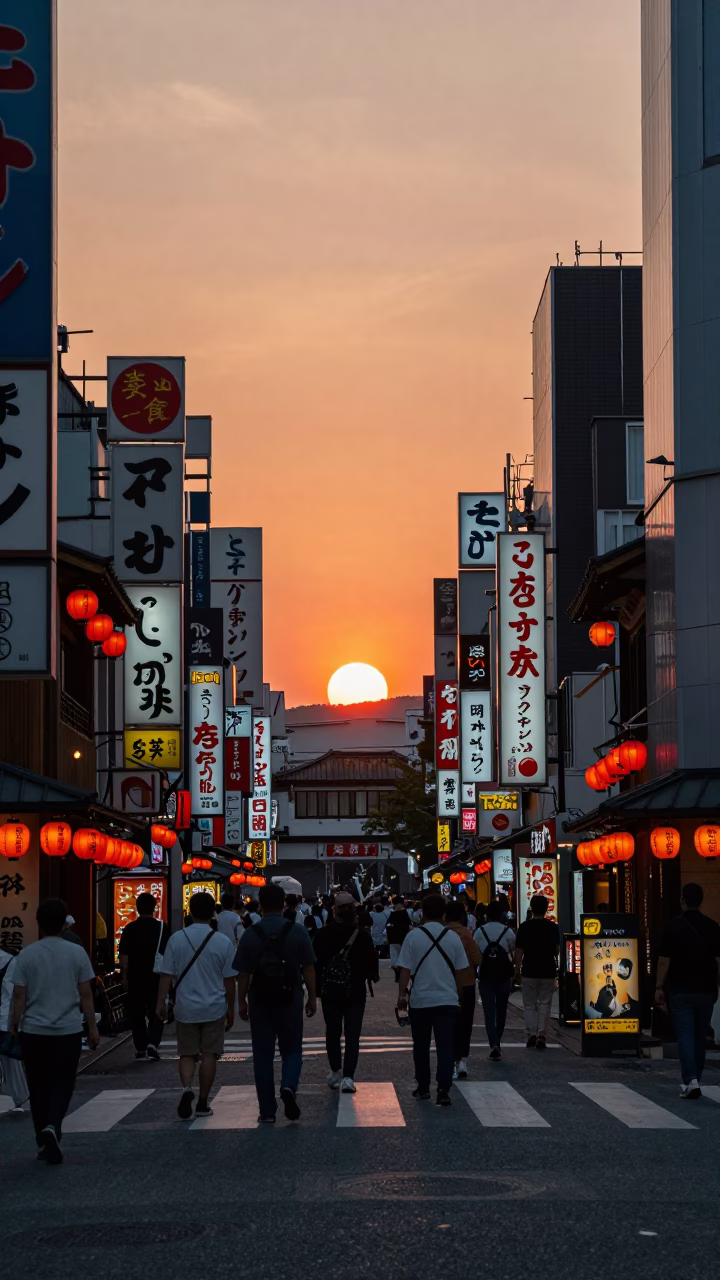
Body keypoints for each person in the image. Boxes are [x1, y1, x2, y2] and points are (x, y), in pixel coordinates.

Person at [10, 898, 99, 1164]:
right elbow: (86, 994)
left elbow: (19, 996)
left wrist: (13, 1026)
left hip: (34, 1029)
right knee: (63, 1082)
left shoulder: (27, 954)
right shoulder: (76, 953)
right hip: (67, 1029)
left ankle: (43, 1136)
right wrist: (93, 1028)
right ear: (64, 924)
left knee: (38, 1085)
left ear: (38, 924)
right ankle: (53, 1127)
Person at [234, 882, 317, 1123]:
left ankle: (267, 1111)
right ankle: (289, 1085)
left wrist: (241, 1002)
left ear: (260, 905)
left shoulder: (251, 933)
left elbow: (242, 973)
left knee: (262, 1055)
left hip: (260, 1000)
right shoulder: (297, 931)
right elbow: (309, 968)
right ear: (283, 904)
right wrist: (312, 997)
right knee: (292, 1049)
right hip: (290, 997)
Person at [156, 892, 236, 1120]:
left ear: (189, 911)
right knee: (210, 1054)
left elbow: (165, 975)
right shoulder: (223, 942)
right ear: (213, 913)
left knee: (187, 1053)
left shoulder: (176, 939)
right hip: (214, 1006)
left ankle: (186, 1089)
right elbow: (229, 979)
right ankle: (202, 1102)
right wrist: (232, 1007)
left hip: (185, 1007)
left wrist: (160, 1002)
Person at [396, 894, 472, 1106]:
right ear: (444, 913)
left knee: (420, 1044)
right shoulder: (453, 938)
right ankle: (443, 1088)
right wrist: (458, 996)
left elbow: (405, 970)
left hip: (420, 999)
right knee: (445, 1045)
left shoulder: (413, 937)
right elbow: (460, 973)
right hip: (447, 999)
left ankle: (422, 1087)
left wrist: (402, 995)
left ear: (422, 912)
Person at [656, 883, 720, 1099]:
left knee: (685, 1034)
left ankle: (691, 1080)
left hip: (681, 988)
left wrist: (658, 987)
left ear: (683, 900)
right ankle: (696, 1079)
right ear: (700, 901)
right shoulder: (712, 927)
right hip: (706, 989)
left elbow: (664, 961)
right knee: (700, 1034)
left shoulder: (673, 927)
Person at [314, 891, 379, 1091]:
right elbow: (372, 966)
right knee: (352, 1034)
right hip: (356, 990)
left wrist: (315, 989)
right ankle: (348, 1077)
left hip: (330, 990)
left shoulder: (323, 934)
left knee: (332, 1032)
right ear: (354, 911)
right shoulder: (362, 935)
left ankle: (335, 1071)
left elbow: (315, 963)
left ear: (334, 911)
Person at [118, 892, 169, 1061]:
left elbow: (124, 958)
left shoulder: (130, 929)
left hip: (135, 977)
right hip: (157, 977)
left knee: (137, 1013)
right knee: (158, 1009)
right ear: (154, 908)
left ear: (137, 909)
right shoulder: (163, 928)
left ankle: (140, 1047)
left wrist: (124, 978)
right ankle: (153, 1043)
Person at [514, 894, 559, 1048]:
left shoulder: (525, 927)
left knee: (529, 1004)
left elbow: (519, 951)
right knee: (545, 1003)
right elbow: (557, 950)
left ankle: (531, 1032)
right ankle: (542, 1034)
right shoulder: (553, 927)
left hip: (529, 969)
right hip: (547, 969)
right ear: (546, 909)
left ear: (531, 909)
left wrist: (517, 971)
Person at [444, 901, 482, 1078]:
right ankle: (462, 1061)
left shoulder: (441, 934)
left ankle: (450, 1060)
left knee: (447, 1025)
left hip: (445, 985)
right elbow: (478, 960)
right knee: (465, 1024)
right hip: (466, 984)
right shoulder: (467, 935)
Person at [475, 900, 516, 1059]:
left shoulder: (480, 931)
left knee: (489, 1011)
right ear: (502, 914)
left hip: (485, 974)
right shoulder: (508, 931)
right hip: (504, 974)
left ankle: (493, 1043)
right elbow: (512, 950)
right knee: (502, 1009)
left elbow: (476, 951)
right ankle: (498, 1039)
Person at [0, 946, 29, 1114]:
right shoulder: (10, 960)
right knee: (10, 1061)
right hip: (2, 1019)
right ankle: (19, 1096)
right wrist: (12, 1022)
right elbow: (9, 995)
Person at [386, 896, 412, 981]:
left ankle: (398, 974)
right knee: (403, 958)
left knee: (395, 959)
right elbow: (409, 926)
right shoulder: (405, 913)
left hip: (393, 939)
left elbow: (388, 926)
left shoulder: (392, 914)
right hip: (403, 939)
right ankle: (401, 974)